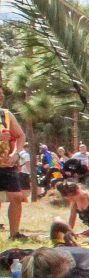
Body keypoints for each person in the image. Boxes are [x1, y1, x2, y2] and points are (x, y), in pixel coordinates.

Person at [0, 94, 26, 241]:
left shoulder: (6, 115)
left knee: (16, 197)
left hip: (6, 164)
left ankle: (14, 234)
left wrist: (16, 154)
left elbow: (21, 135)